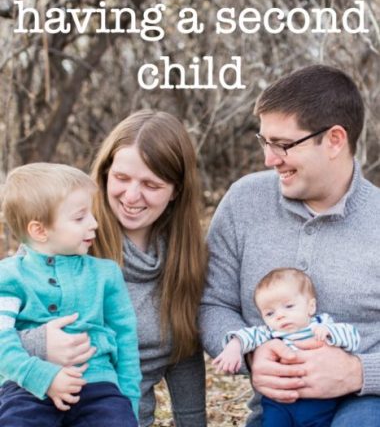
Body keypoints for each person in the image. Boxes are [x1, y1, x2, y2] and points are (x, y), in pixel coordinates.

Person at [200, 64, 380, 427]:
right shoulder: (244, 202)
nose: (269, 159)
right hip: (280, 412)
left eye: (283, 145)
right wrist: (253, 355)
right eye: (264, 141)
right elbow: (211, 302)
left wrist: (360, 372)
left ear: (334, 140)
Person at [16, 111, 208, 427]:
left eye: (151, 184)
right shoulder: (60, 237)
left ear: (176, 190)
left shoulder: (185, 258)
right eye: (121, 178)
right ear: (104, 174)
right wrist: (39, 343)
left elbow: (184, 354)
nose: (131, 196)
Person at [0, 163, 141, 426]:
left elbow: (125, 339)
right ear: (39, 230)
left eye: (91, 214)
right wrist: (42, 377)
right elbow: (1, 340)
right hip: (27, 388)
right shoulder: (9, 277)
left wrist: (129, 401)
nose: (94, 224)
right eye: (80, 218)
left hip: (98, 387)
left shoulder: (105, 274)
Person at [213, 267, 360, 426]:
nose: (280, 315)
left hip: (319, 401)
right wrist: (234, 347)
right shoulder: (270, 333)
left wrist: (330, 333)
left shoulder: (320, 325)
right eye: (270, 313)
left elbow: (352, 337)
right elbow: (246, 335)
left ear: (310, 306)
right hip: (279, 401)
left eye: (289, 306)